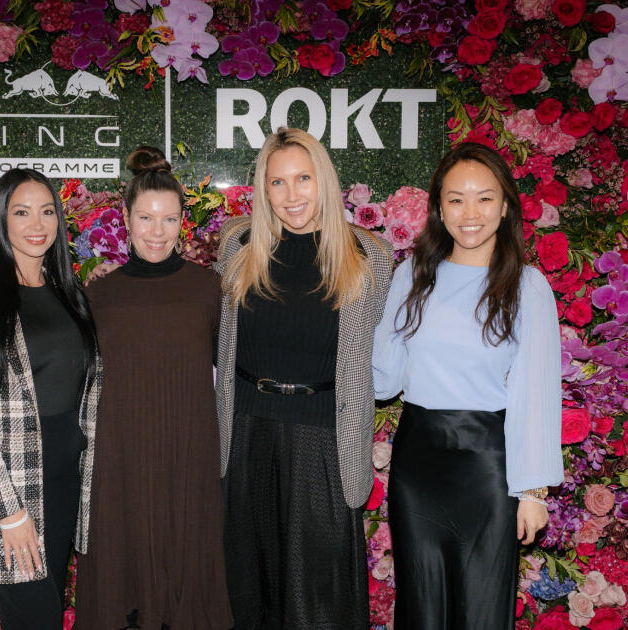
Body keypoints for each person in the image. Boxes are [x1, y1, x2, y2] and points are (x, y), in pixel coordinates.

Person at [372, 143, 563, 629]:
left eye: (484, 198)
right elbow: (383, 378)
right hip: (417, 466)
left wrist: (533, 491)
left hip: (487, 471)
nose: (470, 213)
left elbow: (535, 394)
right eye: (456, 199)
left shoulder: (527, 287)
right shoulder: (412, 276)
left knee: (482, 610)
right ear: (439, 208)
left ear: (505, 205)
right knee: (422, 607)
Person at [215, 127, 394, 629]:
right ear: (263, 189)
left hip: (325, 443)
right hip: (248, 437)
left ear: (326, 181)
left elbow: (377, 356)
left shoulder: (369, 256)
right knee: (251, 592)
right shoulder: (237, 246)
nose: (291, 196)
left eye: (303, 179)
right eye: (277, 183)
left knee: (320, 601)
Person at [74, 146, 233, 630]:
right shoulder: (99, 292)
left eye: (168, 219)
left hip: (190, 456)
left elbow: (227, 371)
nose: (156, 232)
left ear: (183, 221)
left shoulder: (210, 288)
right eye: (145, 218)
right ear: (125, 218)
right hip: (120, 459)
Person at [0, 168, 100, 629]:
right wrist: (9, 513)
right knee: (35, 619)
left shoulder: (75, 299)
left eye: (47, 211)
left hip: (66, 481)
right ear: (0, 221)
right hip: (10, 488)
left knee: (47, 610)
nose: (37, 224)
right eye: (22, 212)